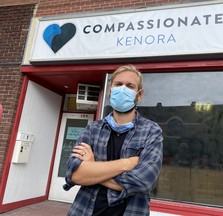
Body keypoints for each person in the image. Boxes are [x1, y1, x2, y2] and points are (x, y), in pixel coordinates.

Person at [63, 64, 163, 216]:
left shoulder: (151, 131)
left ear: (139, 95)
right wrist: (127, 164)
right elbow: (74, 174)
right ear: (110, 90)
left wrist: (91, 168)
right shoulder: (92, 129)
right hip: (84, 211)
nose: (122, 89)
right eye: (118, 84)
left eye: (130, 86)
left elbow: (143, 181)